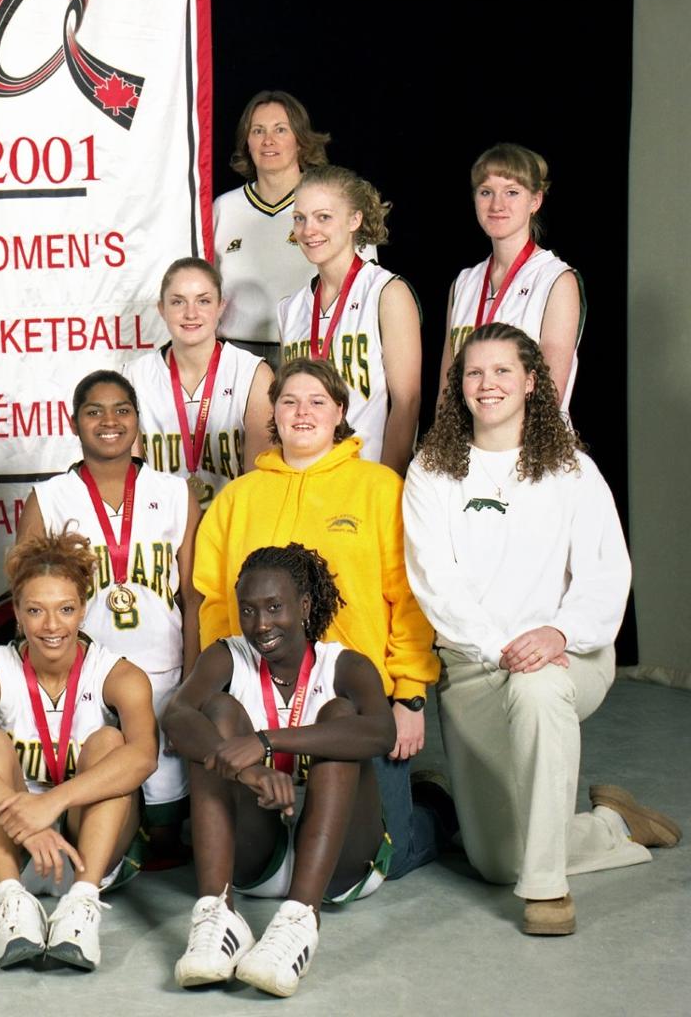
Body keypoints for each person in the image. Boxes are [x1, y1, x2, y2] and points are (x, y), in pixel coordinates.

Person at [405, 323, 677, 935]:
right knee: (496, 861)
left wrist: (558, 634)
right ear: (459, 386)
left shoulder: (571, 469)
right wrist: (499, 647)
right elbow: (434, 582)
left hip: (568, 658)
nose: (488, 383)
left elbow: (607, 572)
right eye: (475, 372)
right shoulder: (432, 470)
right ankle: (614, 825)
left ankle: (549, 892)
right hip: (475, 665)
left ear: (531, 382)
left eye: (504, 371)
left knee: (537, 687)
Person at [193, 357, 439, 880]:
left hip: (353, 699)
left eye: (317, 401)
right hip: (259, 698)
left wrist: (410, 695)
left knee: (377, 863)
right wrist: (225, 693)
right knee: (259, 850)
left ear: (341, 413)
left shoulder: (379, 490)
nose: (302, 412)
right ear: (273, 414)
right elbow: (215, 604)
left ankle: (434, 808)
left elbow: (410, 597)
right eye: (289, 401)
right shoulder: (236, 499)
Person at [163, 544, 394, 997]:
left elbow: (382, 735)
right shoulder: (226, 656)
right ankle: (217, 915)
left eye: (274, 607)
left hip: (340, 864)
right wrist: (250, 770)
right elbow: (176, 716)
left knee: (340, 715)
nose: (261, 624)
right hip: (257, 851)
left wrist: (267, 742)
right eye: (248, 610)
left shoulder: (345, 665)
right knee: (217, 712)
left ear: (304, 606)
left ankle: (299, 921)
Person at [0, 531, 155, 971]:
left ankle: (82, 906)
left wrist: (51, 804)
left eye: (65, 609)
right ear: (16, 612)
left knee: (112, 744)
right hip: (10, 848)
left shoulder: (118, 674)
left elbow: (144, 756)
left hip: (86, 848)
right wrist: (23, 818)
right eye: (36, 610)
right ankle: (12, 903)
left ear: (84, 609)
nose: (52, 626)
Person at [17, 370, 198, 842]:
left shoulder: (176, 493)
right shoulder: (49, 498)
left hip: (163, 672)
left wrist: (193, 682)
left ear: (138, 419)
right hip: (86, 677)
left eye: (122, 410)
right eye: (94, 411)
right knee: (95, 813)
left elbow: (194, 598)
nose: (109, 421)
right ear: (73, 421)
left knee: (163, 828)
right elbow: (29, 605)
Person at [277, 166, 421, 476]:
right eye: (300, 218)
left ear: (354, 220)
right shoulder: (290, 309)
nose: (308, 230)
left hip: (364, 481)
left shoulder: (387, 292)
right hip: (305, 480)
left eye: (323, 217)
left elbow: (407, 403)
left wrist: (388, 482)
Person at [438, 144, 582, 414]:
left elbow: (548, 397)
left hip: (532, 449)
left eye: (512, 192)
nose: (497, 205)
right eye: (486, 192)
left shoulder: (556, 279)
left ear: (535, 201)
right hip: (465, 450)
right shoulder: (464, 283)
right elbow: (446, 394)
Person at [123, 258, 273, 508]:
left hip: (230, 527)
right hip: (162, 528)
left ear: (221, 306)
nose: (191, 313)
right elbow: (130, 478)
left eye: (203, 301)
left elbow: (258, 483)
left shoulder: (253, 374)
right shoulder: (135, 377)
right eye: (178, 301)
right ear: (161, 309)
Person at [212, 91, 331, 365]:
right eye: (258, 131)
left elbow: (362, 285)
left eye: (280, 130)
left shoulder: (328, 201)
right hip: (237, 355)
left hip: (308, 352)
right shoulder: (224, 208)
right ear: (247, 142)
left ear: (300, 140)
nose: (268, 140)